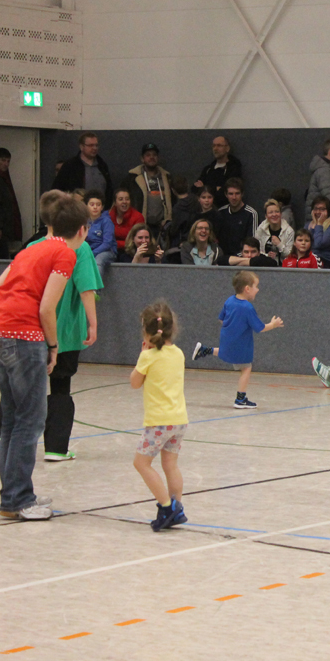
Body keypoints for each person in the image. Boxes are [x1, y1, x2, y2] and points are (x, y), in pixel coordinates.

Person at [0, 191, 88, 520]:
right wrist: (53, 347)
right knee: (30, 421)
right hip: (23, 339)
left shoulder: (30, 249)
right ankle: (18, 500)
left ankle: (14, 494)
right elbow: (46, 309)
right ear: (82, 229)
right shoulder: (66, 253)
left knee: (13, 419)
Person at [0, 193, 103, 461]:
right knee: (61, 386)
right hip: (64, 331)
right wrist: (93, 323)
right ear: (80, 227)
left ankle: (1, 436)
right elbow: (86, 288)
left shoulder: (33, 246)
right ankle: (55, 447)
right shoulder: (79, 249)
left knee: (18, 388)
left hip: (29, 330)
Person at [130, 300, 189, 532]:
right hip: (179, 419)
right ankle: (177, 506)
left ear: (146, 331)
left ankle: (166, 506)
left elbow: (135, 383)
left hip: (158, 423)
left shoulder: (148, 357)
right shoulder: (179, 354)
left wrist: (142, 355)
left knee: (141, 463)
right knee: (170, 465)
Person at [190, 271, 284, 409]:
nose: (258, 290)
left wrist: (232, 328)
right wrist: (273, 324)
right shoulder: (247, 307)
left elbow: (221, 319)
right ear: (247, 289)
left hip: (227, 338)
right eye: (256, 286)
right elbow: (260, 328)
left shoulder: (229, 300)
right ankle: (240, 399)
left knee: (227, 351)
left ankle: (205, 350)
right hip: (240, 343)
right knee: (246, 368)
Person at [124, 143, 173, 237]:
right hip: (140, 226)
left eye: (154, 155)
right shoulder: (132, 178)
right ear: (142, 159)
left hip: (162, 228)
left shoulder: (167, 178)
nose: (151, 157)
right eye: (148, 155)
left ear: (158, 158)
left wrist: (168, 220)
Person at [52, 131, 113, 201]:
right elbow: (57, 189)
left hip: (101, 206)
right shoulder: (70, 165)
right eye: (90, 145)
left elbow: (109, 188)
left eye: (96, 145)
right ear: (81, 147)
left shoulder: (102, 165)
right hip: (78, 206)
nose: (94, 148)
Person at [213, 177, 258, 257]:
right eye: (231, 194)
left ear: (242, 194)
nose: (234, 197)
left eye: (237, 193)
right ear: (226, 195)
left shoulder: (251, 214)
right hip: (221, 258)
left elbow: (252, 244)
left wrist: (234, 258)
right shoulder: (220, 212)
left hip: (242, 259)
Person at [194, 135, 243, 208]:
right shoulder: (208, 169)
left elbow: (226, 194)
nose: (215, 149)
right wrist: (216, 189)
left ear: (227, 148)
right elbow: (194, 188)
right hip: (207, 210)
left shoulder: (233, 169)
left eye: (219, 145)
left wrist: (204, 187)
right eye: (213, 146)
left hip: (226, 210)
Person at [0, 148, 23, 259]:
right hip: (2, 227)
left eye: (8, 161)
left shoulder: (4, 178)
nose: (6, 164)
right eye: (3, 160)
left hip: (6, 226)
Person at [165, 175, 197, 263]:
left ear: (173, 190)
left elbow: (174, 230)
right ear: (187, 185)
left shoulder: (177, 208)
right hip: (197, 238)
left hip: (182, 242)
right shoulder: (196, 200)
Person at [254, 199, 295, 263]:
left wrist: (279, 244)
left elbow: (290, 255)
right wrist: (266, 256)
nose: (274, 214)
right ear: (266, 216)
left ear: (281, 214)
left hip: (284, 266)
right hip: (264, 265)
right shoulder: (261, 230)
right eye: (270, 212)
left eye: (277, 212)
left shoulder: (289, 231)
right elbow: (255, 251)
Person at [307, 195, 330, 268]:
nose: (318, 212)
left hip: (327, 261)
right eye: (316, 209)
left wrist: (319, 224)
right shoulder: (308, 225)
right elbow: (305, 244)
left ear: (328, 211)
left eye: (322, 209)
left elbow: (318, 244)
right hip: (309, 259)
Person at [108, 188, 144, 255]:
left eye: (127, 199)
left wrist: (115, 243)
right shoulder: (108, 216)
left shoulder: (138, 217)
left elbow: (138, 241)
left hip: (130, 251)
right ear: (115, 203)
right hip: (110, 250)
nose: (124, 202)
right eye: (121, 199)